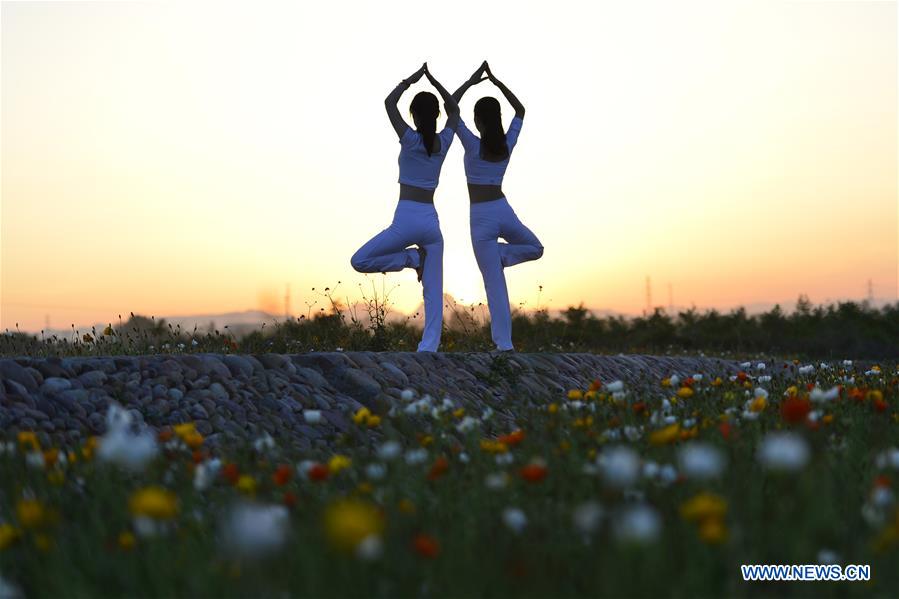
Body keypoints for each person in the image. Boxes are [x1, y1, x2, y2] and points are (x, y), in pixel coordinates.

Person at [350, 63, 459, 352]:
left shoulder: (409, 139)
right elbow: (456, 112)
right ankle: (429, 347)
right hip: (431, 223)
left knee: (359, 261)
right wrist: (435, 83)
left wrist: (409, 81)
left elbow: (388, 102)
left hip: (406, 218)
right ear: (435, 115)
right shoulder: (444, 141)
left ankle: (412, 261)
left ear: (414, 114)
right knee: (433, 293)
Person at [452, 61, 543, 352]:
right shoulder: (506, 143)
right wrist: (497, 83)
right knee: (535, 248)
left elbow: (451, 107)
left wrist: (472, 81)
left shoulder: (471, 143)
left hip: (481, 217)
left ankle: (504, 346)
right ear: (497, 119)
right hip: (503, 210)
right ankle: (501, 255)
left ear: (478, 121)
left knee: (495, 287)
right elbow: (521, 111)